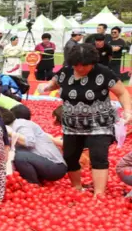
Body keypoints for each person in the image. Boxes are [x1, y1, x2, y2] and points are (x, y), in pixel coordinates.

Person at [38, 43, 132, 196]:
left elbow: (122, 93)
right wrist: (47, 86)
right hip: (72, 124)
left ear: (93, 63)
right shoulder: (66, 71)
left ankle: (99, 193)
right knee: (70, 156)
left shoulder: (103, 73)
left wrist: (128, 111)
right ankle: (77, 187)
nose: (80, 68)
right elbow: (55, 83)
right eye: (77, 65)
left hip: (99, 122)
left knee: (98, 155)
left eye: (85, 65)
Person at [6, 105, 67, 184]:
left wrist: (11, 134)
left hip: (56, 166)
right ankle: (35, 180)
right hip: (51, 164)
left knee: (19, 156)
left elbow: (30, 142)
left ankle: (33, 184)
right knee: (17, 154)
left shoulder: (23, 125)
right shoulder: (26, 125)